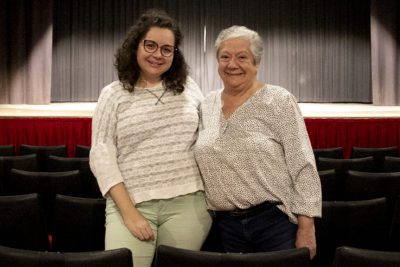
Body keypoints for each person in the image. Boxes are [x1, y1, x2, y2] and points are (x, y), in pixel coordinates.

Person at [89, 9, 212, 267]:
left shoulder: (189, 87)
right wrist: (129, 213)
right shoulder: (113, 94)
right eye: (151, 45)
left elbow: (209, 134)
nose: (158, 54)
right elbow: (102, 156)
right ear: (136, 46)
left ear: (174, 54)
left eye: (167, 49)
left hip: (189, 203)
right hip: (131, 203)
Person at [194, 25, 322, 258]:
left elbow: (302, 164)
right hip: (225, 228)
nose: (232, 64)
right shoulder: (207, 105)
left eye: (242, 57)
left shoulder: (279, 100)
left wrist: (307, 226)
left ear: (257, 63)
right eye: (225, 57)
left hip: (274, 224)